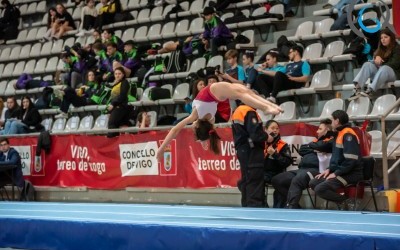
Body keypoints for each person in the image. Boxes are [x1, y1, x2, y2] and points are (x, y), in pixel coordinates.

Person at [156, 82, 282, 159]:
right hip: (213, 90)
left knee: (246, 91)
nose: (192, 125)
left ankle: (271, 105)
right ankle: (266, 107)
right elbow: (174, 130)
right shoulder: (195, 116)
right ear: (198, 126)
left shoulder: (210, 122)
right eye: (194, 127)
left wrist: (203, 141)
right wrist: (160, 150)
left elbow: (206, 133)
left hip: (216, 94)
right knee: (242, 94)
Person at [271, 119, 334, 209]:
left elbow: (324, 146)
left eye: (320, 129)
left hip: (317, 171)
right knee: (277, 180)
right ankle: (296, 206)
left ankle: (291, 207)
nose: (317, 131)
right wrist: (315, 148)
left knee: (298, 179)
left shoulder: (332, 141)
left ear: (327, 130)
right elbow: (302, 149)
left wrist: (313, 147)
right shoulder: (316, 141)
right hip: (302, 169)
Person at [309, 110, 364, 210]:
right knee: (313, 183)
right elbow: (337, 158)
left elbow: (351, 160)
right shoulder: (339, 134)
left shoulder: (348, 135)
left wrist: (336, 173)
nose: (331, 122)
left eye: (332, 120)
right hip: (342, 172)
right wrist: (329, 170)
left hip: (351, 174)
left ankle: (345, 201)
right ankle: (341, 201)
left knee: (320, 189)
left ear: (337, 121)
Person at [349, 28, 400, 100]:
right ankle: (357, 88)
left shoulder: (397, 48)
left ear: (391, 38)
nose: (383, 40)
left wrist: (381, 62)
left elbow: (395, 64)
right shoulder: (380, 49)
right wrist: (375, 60)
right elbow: (376, 63)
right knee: (367, 64)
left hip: (394, 74)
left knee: (384, 68)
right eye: (381, 38)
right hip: (381, 73)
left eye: (386, 37)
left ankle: (371, 91)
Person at [232, 104, 267, 207]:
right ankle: (255, 209)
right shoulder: (249, 111)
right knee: (254, 179)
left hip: (243, 149)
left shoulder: (238, 111)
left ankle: (247, 207)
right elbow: (255, 135)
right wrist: (266, 136)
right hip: (252, 149)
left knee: (246, 179)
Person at [263, 120, 292, 208]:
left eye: (277, 128)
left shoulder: (283, 145)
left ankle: (278, 209)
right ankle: (262, 208)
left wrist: (274, 154)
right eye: (272, 128)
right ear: (265, 130)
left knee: (279, 182)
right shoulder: (261, 144)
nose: (275, 130)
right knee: (252, 180)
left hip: (277, 173)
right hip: (263, 173)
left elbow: (287, 162)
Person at [107, 67, 132, 138]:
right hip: (116, 107)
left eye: (119, 74)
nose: (117, 75)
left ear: (123, 74)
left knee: (112, 124)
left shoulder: (125, 82)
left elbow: (122, 96)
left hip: (121, 107)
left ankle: (111, 143)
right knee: (116, 126)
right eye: (116, 74)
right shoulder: (116, 83)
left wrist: (113, 104)